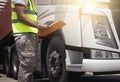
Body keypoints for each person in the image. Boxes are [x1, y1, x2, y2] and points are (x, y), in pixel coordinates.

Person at [12, 0, 49, 82]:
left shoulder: (30, 1)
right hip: (24, 35)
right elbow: (21, 16)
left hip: (29, 35)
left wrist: (36, 31)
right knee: (27, 66)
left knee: (31, 66)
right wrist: (39, 26)